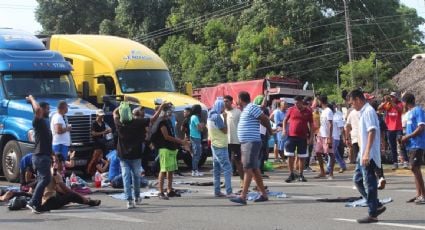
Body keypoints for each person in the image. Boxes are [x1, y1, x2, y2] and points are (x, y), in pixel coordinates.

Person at [113, 102, 165, 208]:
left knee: (126, 177)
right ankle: (136, 198)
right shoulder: (137, 122)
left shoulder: (119, 124)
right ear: (131, 114)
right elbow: (153, 119)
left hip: (123, 156)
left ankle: (129, 200)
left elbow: (114, 113)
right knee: (136, 177)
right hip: (136, 155)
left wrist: (122, 105)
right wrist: (160, 107)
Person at [348, 89, 386, 224]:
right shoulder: (364, 112)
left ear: (358, 99)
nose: (352, 106)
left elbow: (372, 131)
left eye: (352, 103)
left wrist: (366, 153)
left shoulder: (368, 111)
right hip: (362, 152)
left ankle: (372, 213)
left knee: (369, 182)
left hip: (367, 154)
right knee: (357, 180)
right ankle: (376, 204)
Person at [230, 91, 273, 205]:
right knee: (254, 169)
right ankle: (263, 194)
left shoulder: (251, 107)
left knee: (247, 168)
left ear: (240, 99)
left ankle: (243, 196)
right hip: (247, 142)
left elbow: (264, 118)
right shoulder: (247, 109)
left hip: (251, 142)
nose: (236, 101)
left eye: (237, 99)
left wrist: (270, 131)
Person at [153, 104, 189, 199]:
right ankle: (160, 191)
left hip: (171, 148)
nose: (171, 113)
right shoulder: (161, 121)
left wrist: (179, 142)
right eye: (169, 111)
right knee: (163, 170)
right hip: (165, 148)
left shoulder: (167, 120)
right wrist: (181, 141)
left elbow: (172, 134)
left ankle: (169, 190)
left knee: (171, 170)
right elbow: (166, 136)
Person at [25, 95, 53, 214]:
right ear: (42, 110)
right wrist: (32, 99)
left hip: (44, 156)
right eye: (47, 108)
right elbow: (37, 110)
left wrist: (53, 154)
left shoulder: (44, 123)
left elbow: (46, 142)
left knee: (43, 179)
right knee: (46, 179)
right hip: (40, 156)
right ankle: (33, 202)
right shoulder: (38, 121)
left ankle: (36, 204)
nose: (49, 111)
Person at [401, 93, 425, 204]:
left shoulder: (418, 110)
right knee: (414, 169)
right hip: (411, 145)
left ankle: (423, 195)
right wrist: (404, 137)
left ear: (405, 102)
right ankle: (418, 194)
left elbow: (421, 127)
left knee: (415, 168)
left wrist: (408, 136)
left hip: (418, 144)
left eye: (403, 102)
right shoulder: (409, 113)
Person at [282, 95, 313, 183]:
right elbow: (285, 120)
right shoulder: (291, 109)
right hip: (291, 136)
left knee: (302, 157)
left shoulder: (308, 111)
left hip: (302, 137)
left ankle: (300, 174)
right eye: (295, 103)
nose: (296, 105)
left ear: (301, 102)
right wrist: (284, 130)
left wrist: (311, 137)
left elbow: (311, 125)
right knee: (290, 155)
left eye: (297, 103)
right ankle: (291, 174)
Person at [208, 98, 233, 197]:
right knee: (227, 168)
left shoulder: (210, 115)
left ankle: (217, 191)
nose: (224, 108)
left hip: (214, 145)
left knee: (217, 169)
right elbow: (225, 130)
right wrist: (225, 118)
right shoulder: (217, 117)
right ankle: (229, 191)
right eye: (222, 106)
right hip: (221, 145)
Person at [378, 92, 403, 170]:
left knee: (401, 143)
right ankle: (395, 163)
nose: (391, 98)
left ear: (396, 98)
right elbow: (379, 108)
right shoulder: (388, 104)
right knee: (392, 146)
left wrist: (391, 102)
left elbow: (399, 109)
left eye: (393, 97)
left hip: (398, 127)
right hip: (390, 128)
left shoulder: (400, 104)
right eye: (391, 97)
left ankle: (405, 160)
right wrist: (385, 101)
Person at [224, 95, 243, 186]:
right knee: (225, 162)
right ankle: (226, 182)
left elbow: (242, 125)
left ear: (231, 102)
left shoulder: (238, 112)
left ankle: (242, 180)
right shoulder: (222, 113)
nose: (225, 103)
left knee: (237, 161)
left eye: (227, 101)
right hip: (225, 141)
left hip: (236, 141)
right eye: (224, 101)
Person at [315, 95, 335, 179]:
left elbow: (331, 124)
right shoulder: (322, 111)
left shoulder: (328, 111)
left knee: (330, 154)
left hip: (327, 136)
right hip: (321, 135)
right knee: (318, 152)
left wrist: (329, 137)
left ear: (320, 101)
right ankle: (322, 172)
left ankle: (331, 173)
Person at [190, 104, 205, 177]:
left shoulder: (193, 117)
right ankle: (194, 170)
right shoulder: (195, 117)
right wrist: (202, 126)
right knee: (197, 154)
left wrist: (201, 126)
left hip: (195, 137)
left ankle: (195, 169)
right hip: (195, 137)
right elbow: (199, 128)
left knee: (197, 154)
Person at [331, 103, 347, 173]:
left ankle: (329, 169)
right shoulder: (330, 115)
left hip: (336, 137)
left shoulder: (338, 115)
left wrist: (343, 137)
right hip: (331, 137)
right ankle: (342, 165)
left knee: (332, 153)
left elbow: (341, 128)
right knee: (335, 153)